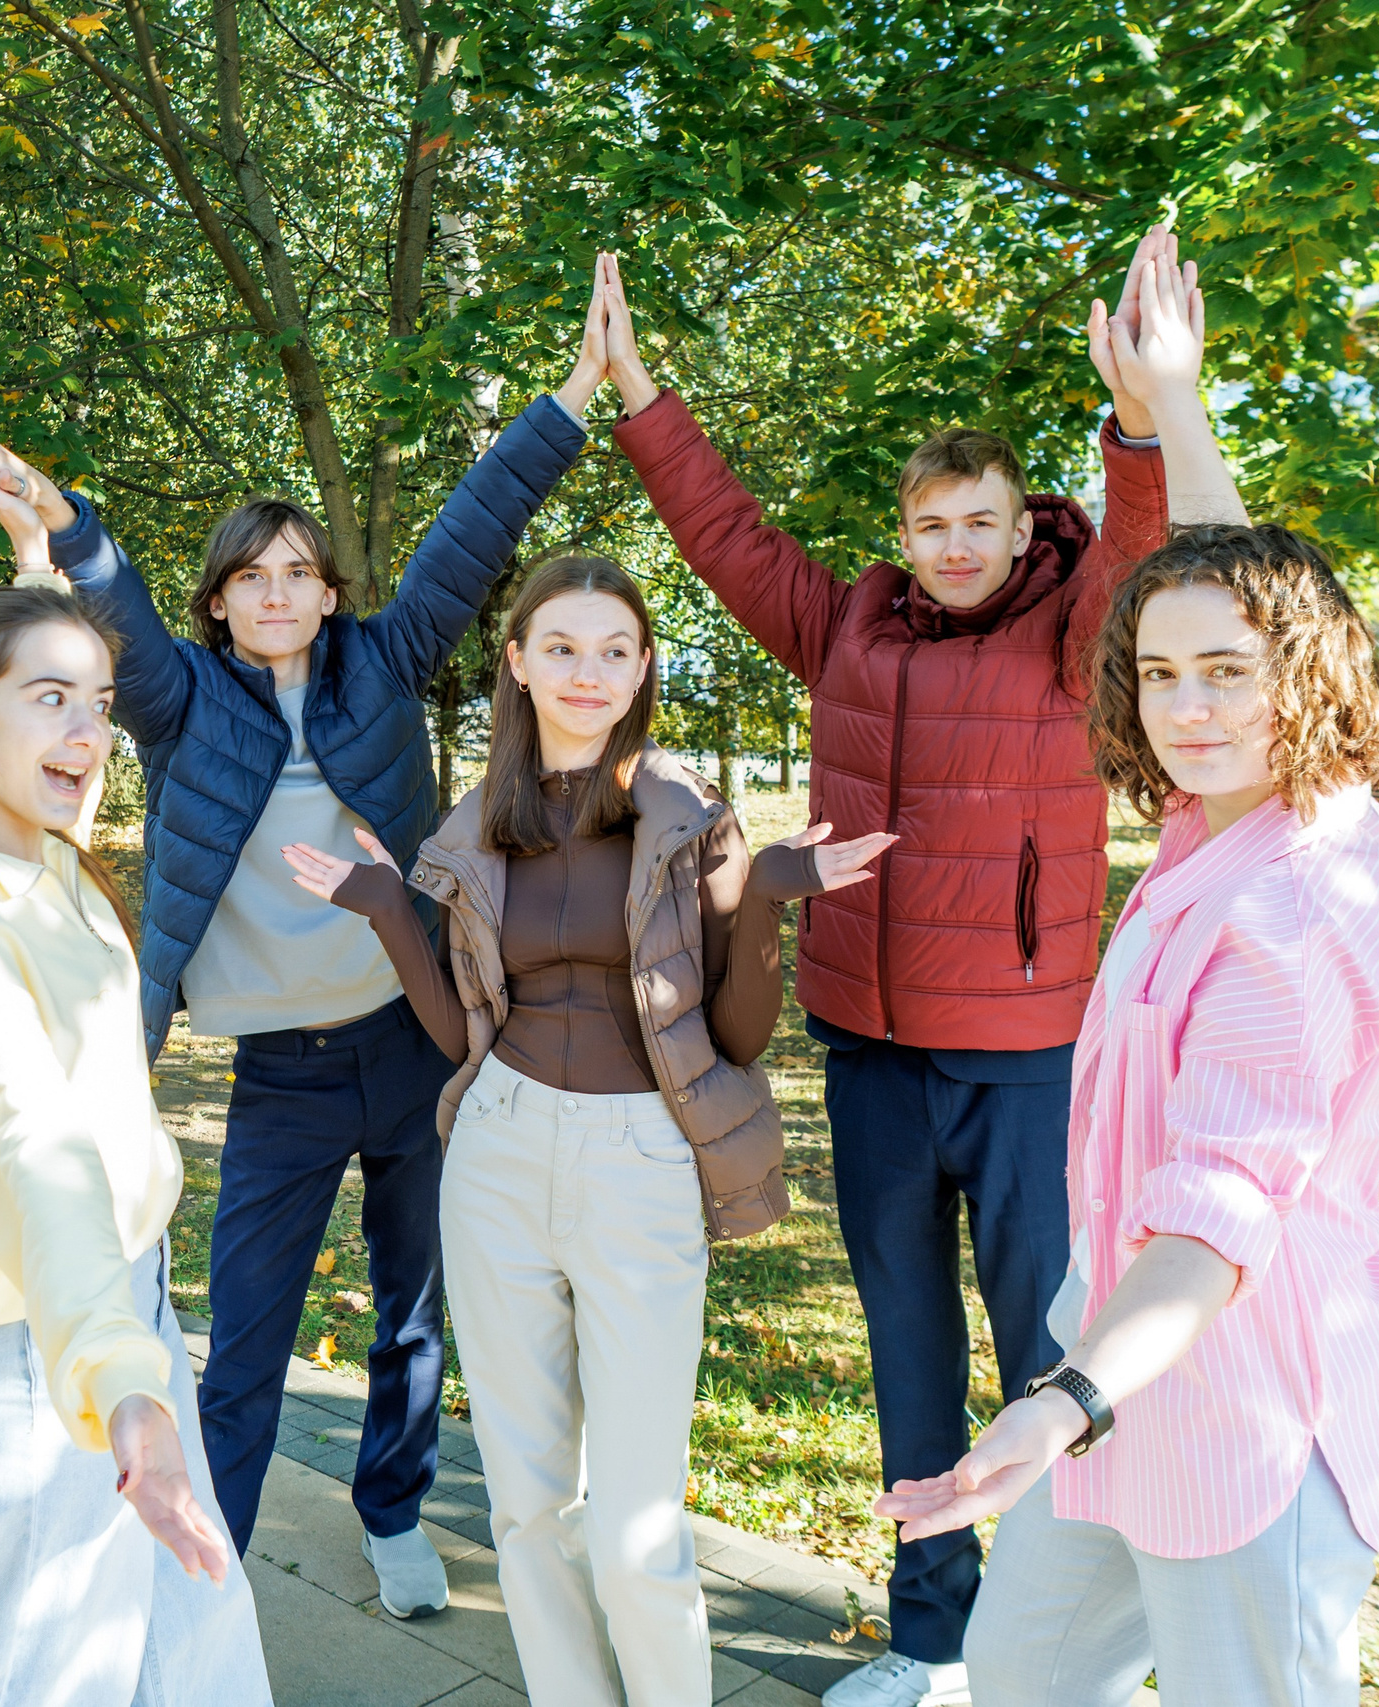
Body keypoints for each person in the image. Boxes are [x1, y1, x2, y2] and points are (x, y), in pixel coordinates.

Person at [595, 230, 1238, 1705]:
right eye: (932, 522)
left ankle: (1069, 1645)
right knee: (909, 1355)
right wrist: (641, 401)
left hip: (1023, 1062)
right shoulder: (848, 626)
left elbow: (1142, 540)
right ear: (908, 529)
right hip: (872, 1053)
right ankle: (932, 1640)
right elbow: (726, 536)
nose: (954, 546)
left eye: (981, 523)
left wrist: (1141, 418)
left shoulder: (1081, 636)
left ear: (1024, 533)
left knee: (1052, 1357)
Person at [0, 270, 619, 1618]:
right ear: (221, 602)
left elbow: (478, 533)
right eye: (251, 575)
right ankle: (207, 1566)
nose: (279, 591)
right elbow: (112, 597)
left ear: (328, 588)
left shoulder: (389, 660)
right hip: (283, 1073)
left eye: (299, 570)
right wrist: (56, 518)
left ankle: (393, 1505)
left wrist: (580, 395)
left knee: (412, 1311)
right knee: (242, 1337)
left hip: (417, 1045)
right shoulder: (183, 703)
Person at [282, 556, 892, 1707]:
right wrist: (383, 914)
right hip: (501, 1150)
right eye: (559, 646)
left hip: (643, 1161)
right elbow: (460, 1032)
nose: (588, 671)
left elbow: (739, 1036)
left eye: (616, 648)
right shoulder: (481, 825)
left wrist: (763, 895)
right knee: (523, 1501)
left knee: (636, 1521)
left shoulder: (685, 820)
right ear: (514, 662)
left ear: (645, 666)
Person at [873, 517, 1379, 1707]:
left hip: (1248, 1415)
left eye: (1228, 672)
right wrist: (1171, 399)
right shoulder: (1212, 819)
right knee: (1024, 1679)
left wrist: (1062, 1403)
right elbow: (1235, 569)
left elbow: (1216, 1213)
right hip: (1113, 1379)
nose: (1188, 708)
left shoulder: (1297, 906)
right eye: (1161, 674)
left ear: (1306, 671)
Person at [0, 581, 273, 1705]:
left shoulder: (33, 861)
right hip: (40, 1348)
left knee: (186, 1643)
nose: (88, 736)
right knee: (7, 1682)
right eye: (50, 701)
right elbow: (37, 1159)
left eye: (98, 703)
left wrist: (35, 558)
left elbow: (42, 785)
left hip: (109, 1317)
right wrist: (122, 1384)